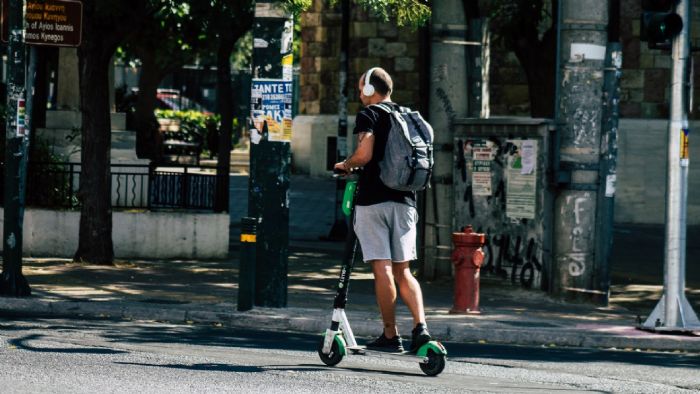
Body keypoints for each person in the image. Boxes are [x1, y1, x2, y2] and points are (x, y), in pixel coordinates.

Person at [334, 67, 431, 353]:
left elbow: (364, 155)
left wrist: (346, 164)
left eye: (359, 87)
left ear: (368, 90)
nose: (357, 93)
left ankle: (390, 335)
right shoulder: (407, 115)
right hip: (406, 201)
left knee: (382, 268)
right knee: (405, 271)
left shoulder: (370, 114)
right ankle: (421, 328)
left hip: (373, 201)